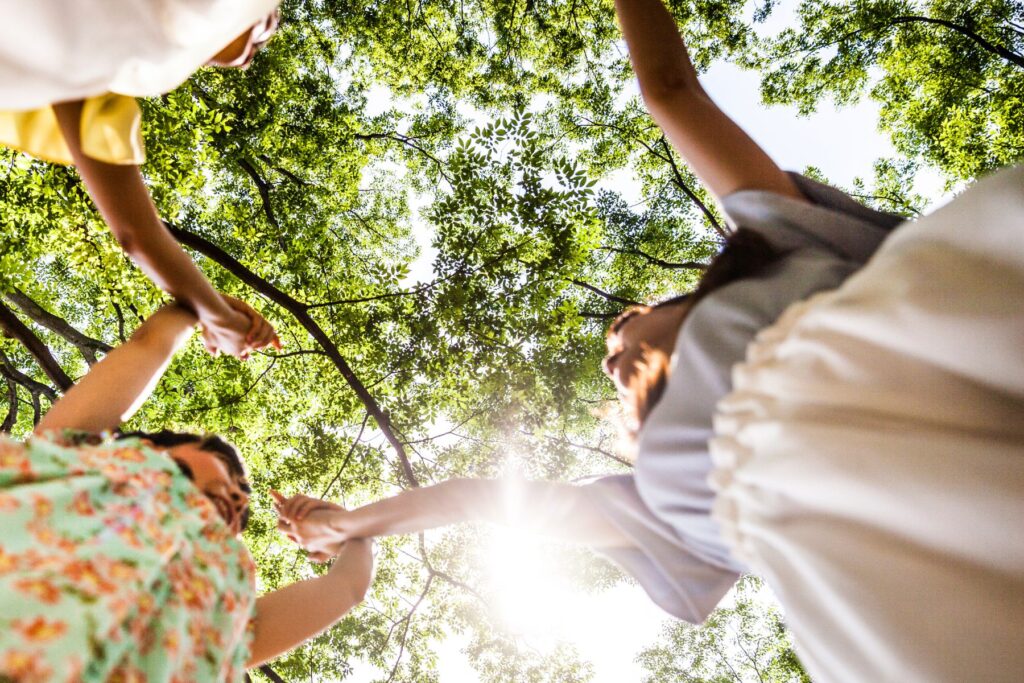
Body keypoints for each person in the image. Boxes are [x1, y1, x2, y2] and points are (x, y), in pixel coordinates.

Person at [274, 0, 1024, 680]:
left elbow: (670, 90)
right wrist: (346, 522)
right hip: (920, 613)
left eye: (620, 331)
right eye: (609, 371)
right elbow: (482, 500)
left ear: (683, 299)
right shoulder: (660, 502)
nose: (612, 359)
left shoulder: (791, 246)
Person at [0, 302, 372, 681]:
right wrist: (204, 310)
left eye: (239, 509)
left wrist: (347, 530)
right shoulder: (70, 467)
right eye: (228, 474)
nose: (237, 499)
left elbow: (347, 588)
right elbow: (150, 343)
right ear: (145, 450)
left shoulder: (221, 616)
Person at [0, 1, 282, 358]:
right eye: (265, 27)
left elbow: (138, 233)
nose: (250, 58)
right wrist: (221, 321)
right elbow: (137, 236)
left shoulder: (104, 69)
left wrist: (211, 309)